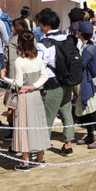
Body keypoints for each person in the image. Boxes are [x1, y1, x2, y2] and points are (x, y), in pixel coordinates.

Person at [2, 30, 50, 171]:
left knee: (23, 126)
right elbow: (45, 76)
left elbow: (18, 83)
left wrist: (4, 78)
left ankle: (25, 163)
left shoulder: (19, 61)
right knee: (38, 125)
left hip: (23, 97)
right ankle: (40, 159)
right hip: (35, 95)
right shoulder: (38, 58)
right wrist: (34, 86)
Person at [36, 9, 76, 157]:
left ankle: (40, 151)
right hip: (67, 81)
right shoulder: (67, 39)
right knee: (66, 113)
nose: (39, 26)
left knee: (47, 117)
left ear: (46, 26)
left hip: (53, 83)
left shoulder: (44, 43)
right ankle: (68, 145)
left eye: (40, 23)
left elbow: (39, 63)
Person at [74, 22, 96, 149]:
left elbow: (82, 64)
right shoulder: (87, 46)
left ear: (81, 33)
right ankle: (90, 135)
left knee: (92, 111)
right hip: (84, 82)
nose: (76, 32)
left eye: (78, 31)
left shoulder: (89, 48)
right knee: (86, 111)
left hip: (87, 83)